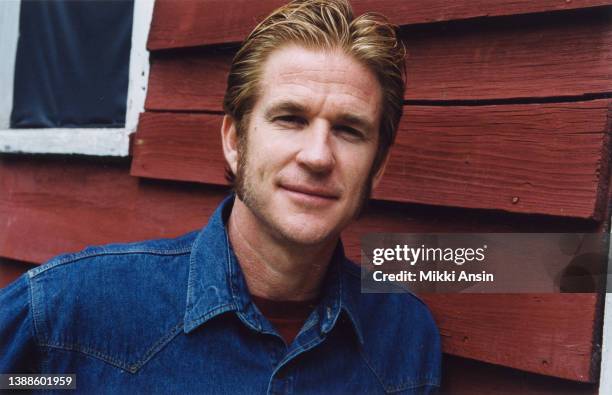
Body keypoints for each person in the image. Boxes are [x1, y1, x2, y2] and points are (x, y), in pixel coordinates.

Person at [0, 0, 441, 393]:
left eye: (348, 130)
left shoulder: (403, 338)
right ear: (234, 141)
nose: (317, 156)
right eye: (290, 118)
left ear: (378, 167)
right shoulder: (73, 312)